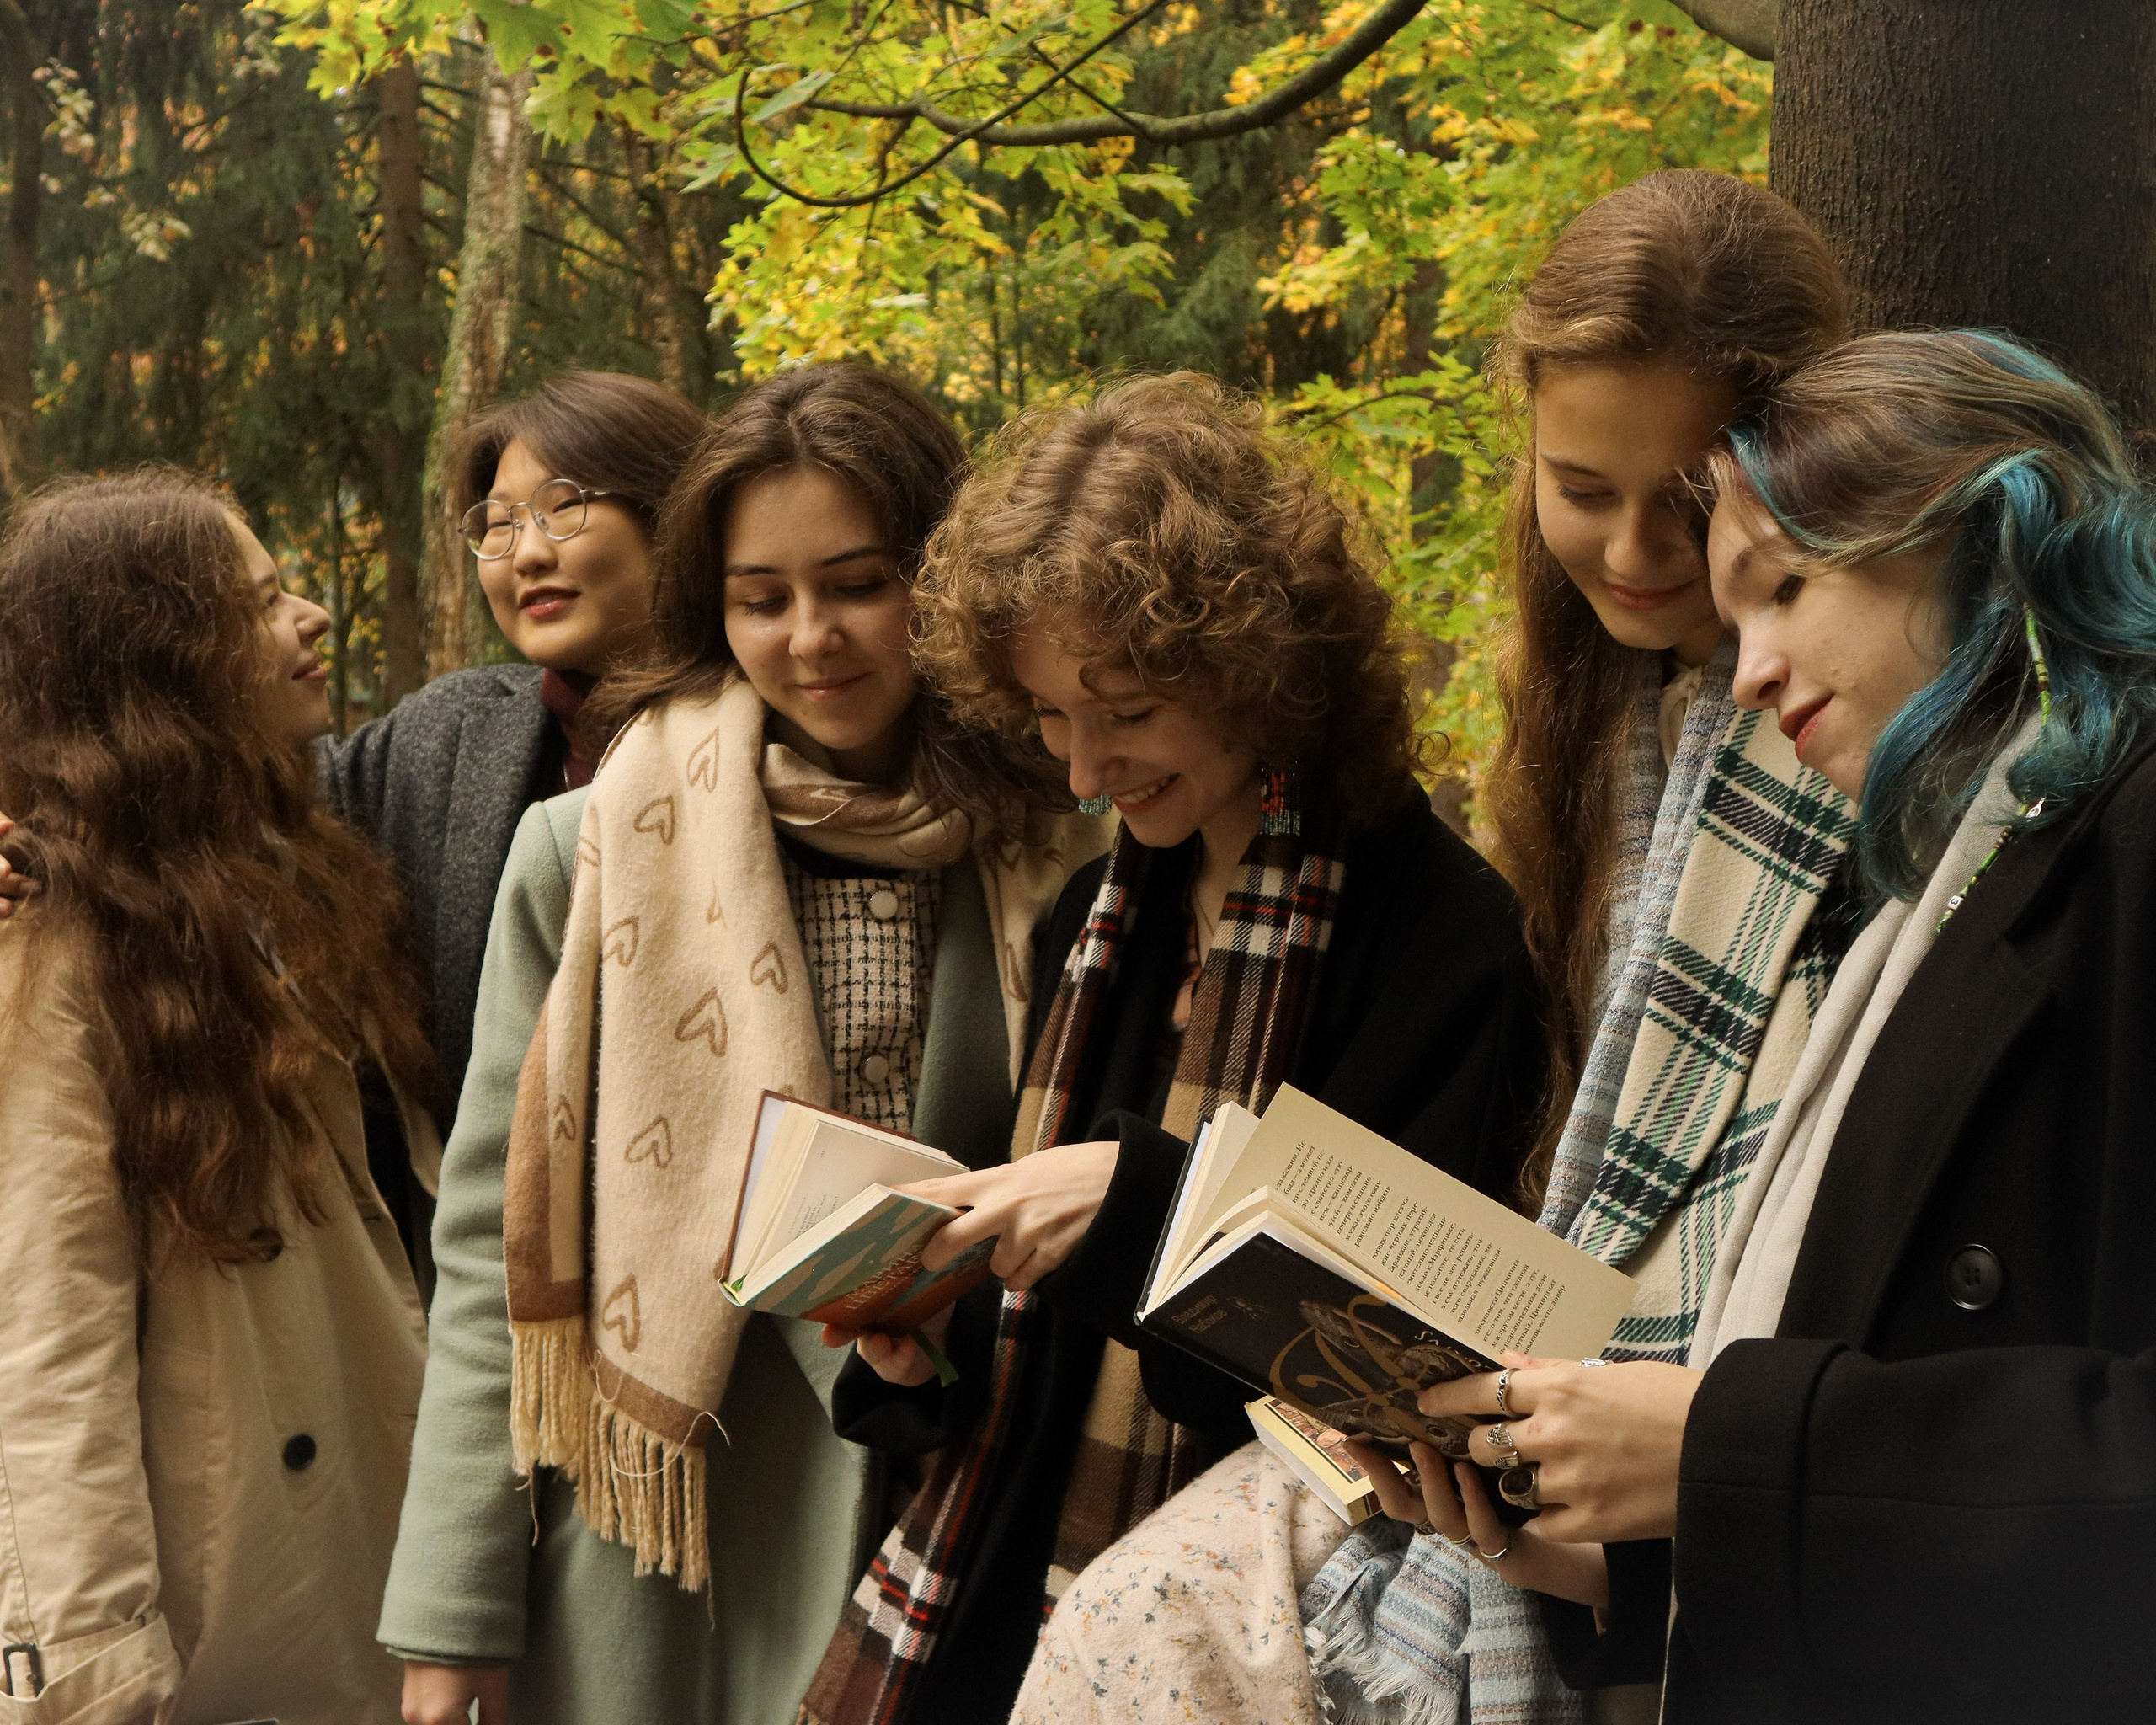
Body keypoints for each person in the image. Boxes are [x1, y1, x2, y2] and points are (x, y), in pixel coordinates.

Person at [1405, 328, 2156, 1722]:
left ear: (1980, 530)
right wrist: (1562, 1538)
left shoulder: (2120, 846)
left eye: (1787, 588)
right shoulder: (1927, 915)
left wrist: (1720, 1450)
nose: (1748, 672)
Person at [803, 371, 1547, 1725]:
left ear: (1259, 671)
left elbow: (1391, 1379)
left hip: (1260, 1644)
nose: (1083, 771)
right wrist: (919, 1337)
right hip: (1005, 1601)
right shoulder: (1098, 918)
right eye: (1045, 715)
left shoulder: (1442, 937)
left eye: (1128, 710)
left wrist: (1130, 1199)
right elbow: (1041, 1343)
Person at [382, 362, 1103, 1725]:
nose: (811, 636)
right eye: (761, 598)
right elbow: (490, 1242)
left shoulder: (1064, 836)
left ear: (938, 578)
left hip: (963, 1498)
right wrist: (451, 1614)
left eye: (857, 582)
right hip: (661, 1542)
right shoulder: (591, 847)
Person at [1297, 170, 1857, 1724]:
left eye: (1689, 496)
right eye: (1579, 486)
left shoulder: (1837, 719)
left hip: (1728, 1451)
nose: (1630, 547)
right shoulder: (1596, 709)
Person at [0, 472, 439, 1723]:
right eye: (261, 602)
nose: (312, 617)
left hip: (360, 1525)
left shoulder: (276, 872)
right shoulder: (51, 932)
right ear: (158, 662)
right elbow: (44, 1325)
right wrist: (89, 1667)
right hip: (218, 1607)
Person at [316, 370, 707, 1278]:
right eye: (496, 524)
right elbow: (246, 808)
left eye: (563, 507)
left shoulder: (787, 720)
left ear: (676, 514)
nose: (525, 552)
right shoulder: (452, 733)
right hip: (508, 1270)